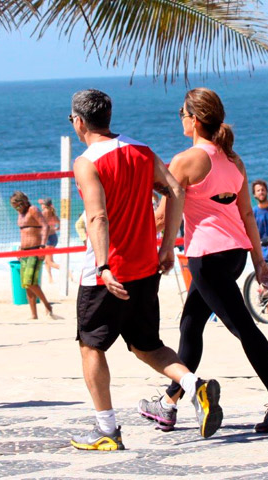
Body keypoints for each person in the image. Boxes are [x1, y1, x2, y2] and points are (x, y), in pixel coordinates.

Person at [140, 88, 268, 435]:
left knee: (242, 327)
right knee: (190, 325)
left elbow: (161, 217)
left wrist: (127, 232)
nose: (180, 118)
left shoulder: (186, 160)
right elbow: (245, 213)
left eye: (181, 112)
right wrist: (259, 262)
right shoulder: (233, 160)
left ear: (195, 119)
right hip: (235, 256)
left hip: (206, 258)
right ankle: (169, 405)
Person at [68, 89, 222, 451]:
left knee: (91, 347)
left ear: (78, 121)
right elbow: (175, 191)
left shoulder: (87, 161)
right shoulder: (141, 150)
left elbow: (97, 216)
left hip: (108, 272)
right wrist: (167, 246)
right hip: (145, 266)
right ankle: (195, 385)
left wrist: (104, 265)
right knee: (146, 345)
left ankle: (106, 429)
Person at [10, 191, 59, 320]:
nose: (16, 208)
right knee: (26, 285)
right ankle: (34, 314)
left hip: (35, 249)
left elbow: (45, 226)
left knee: (30, 282)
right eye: (14, 205)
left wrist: (42, 246)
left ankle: (47, 305)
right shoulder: (20, 214)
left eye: (18, 205)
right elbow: (24, 233)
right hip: (24, 250)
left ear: (24, 202)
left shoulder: (33, 210)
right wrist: (20, 249)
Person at [38, 197, 61, 283]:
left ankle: (66, 271)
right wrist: (57, 228)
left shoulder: (43, 213)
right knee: (47, 261)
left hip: (48, 239)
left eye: (42, 204)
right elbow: (60, 222)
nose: (41, 205)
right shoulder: (52, 213)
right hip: (54, 237)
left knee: (50, 261)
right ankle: (50, 279)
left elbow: (38, 221)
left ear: (45, 205)